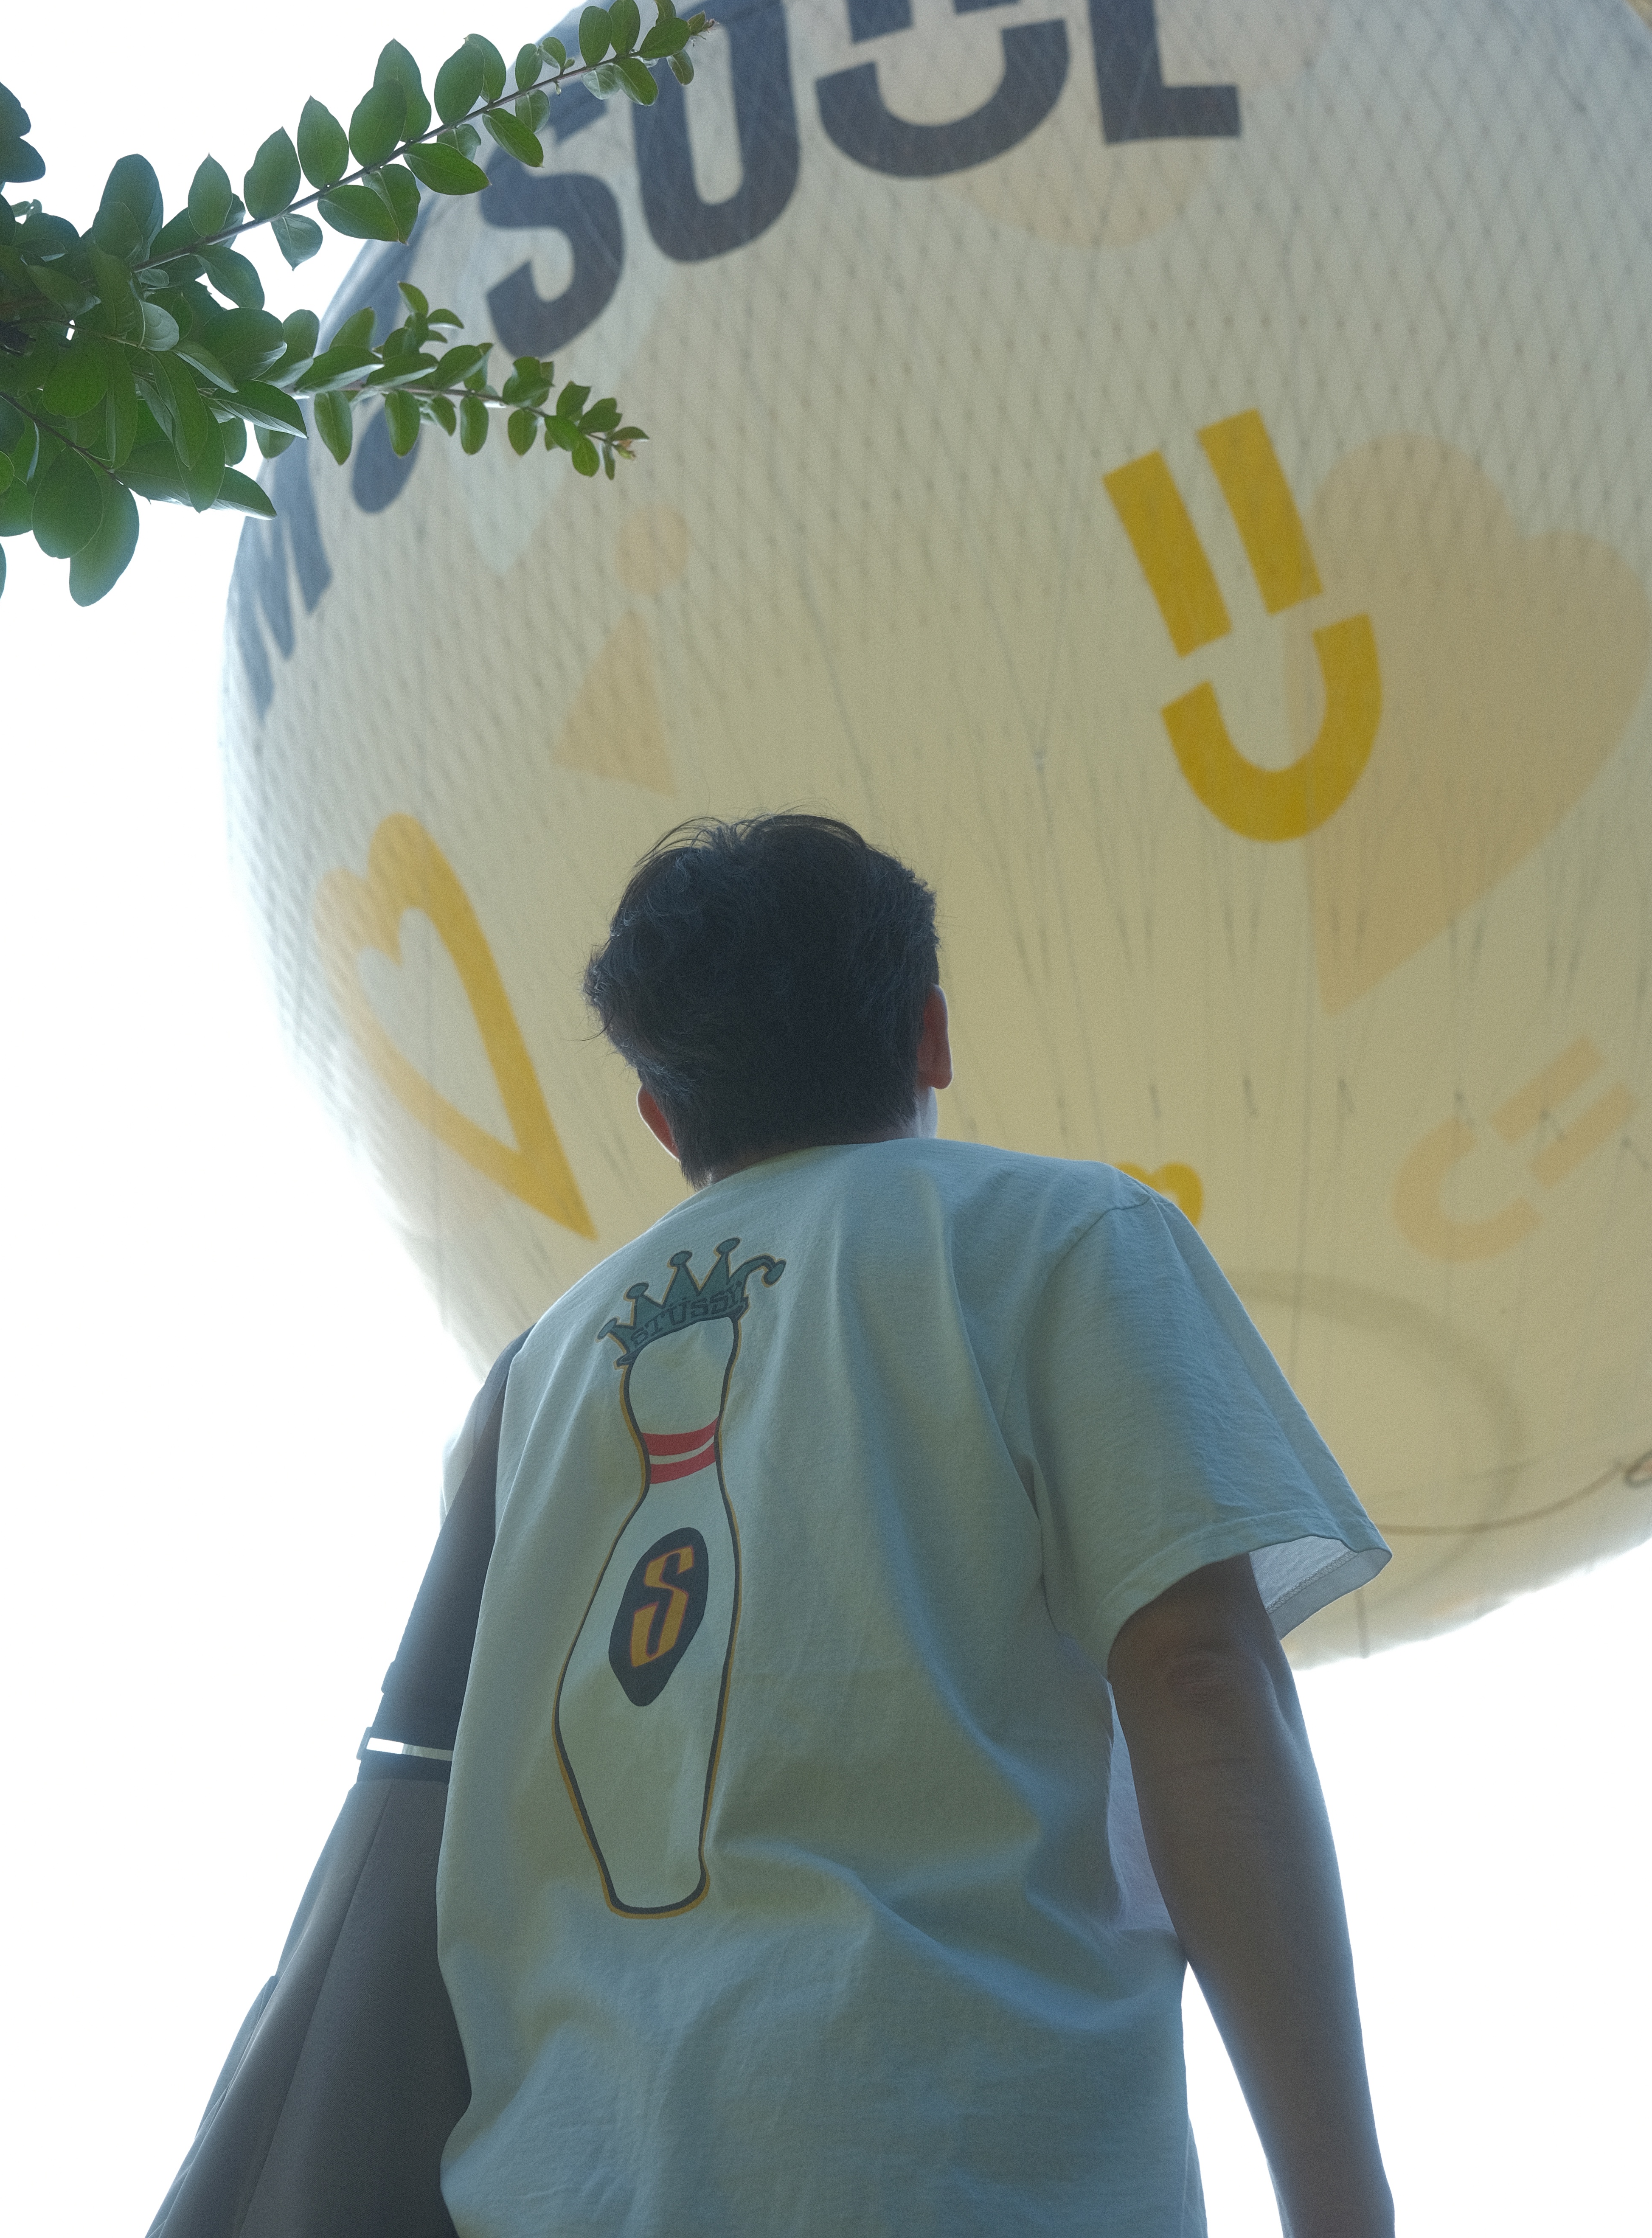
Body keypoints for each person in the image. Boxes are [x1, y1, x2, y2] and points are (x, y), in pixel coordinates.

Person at [435, 814, 1394, 2238]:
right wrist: (1340, 2203)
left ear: (661, 1112)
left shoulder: (534, 1378)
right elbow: (1200, 1683)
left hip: (567, 2182)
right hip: (956, 2158)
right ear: (931, 1033)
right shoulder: (1066, 1237)